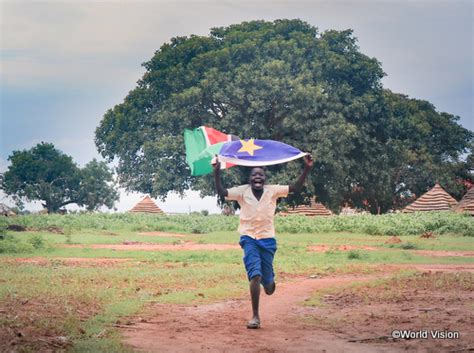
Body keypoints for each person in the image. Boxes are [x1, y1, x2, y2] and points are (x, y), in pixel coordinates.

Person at [213, 154, 314, 329]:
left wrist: (307, 168)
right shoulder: (242, 191)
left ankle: (269, 282)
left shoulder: (273, 191)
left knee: (268, 286)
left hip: (267, 240)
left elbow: (296, 188)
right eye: (254, 175)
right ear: (249, 179)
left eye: (260, 175)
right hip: (249, 238)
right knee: (255, 274)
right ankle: (255, 316)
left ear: (264, 179)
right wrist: (216, 173)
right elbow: (222, 192)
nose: (257, 177)